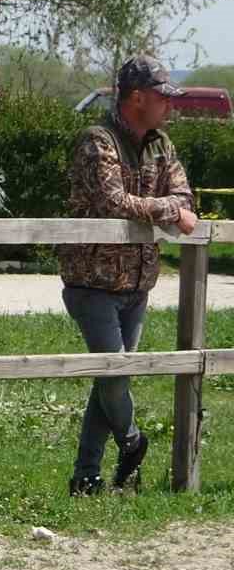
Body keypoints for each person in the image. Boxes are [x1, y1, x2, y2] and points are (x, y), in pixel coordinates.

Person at [58, 55, 196, 496]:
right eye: (161, 97)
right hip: (92, 281)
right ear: (136, 97)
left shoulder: (161, 144)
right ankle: (133, 441)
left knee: (110, 379)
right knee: (114, 376)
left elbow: (184, 191)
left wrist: (171, 205)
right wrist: (169, 210)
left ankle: (86, 477)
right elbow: (112, 201)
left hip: (138, 282)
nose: (168, 106)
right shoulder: (96, 141)